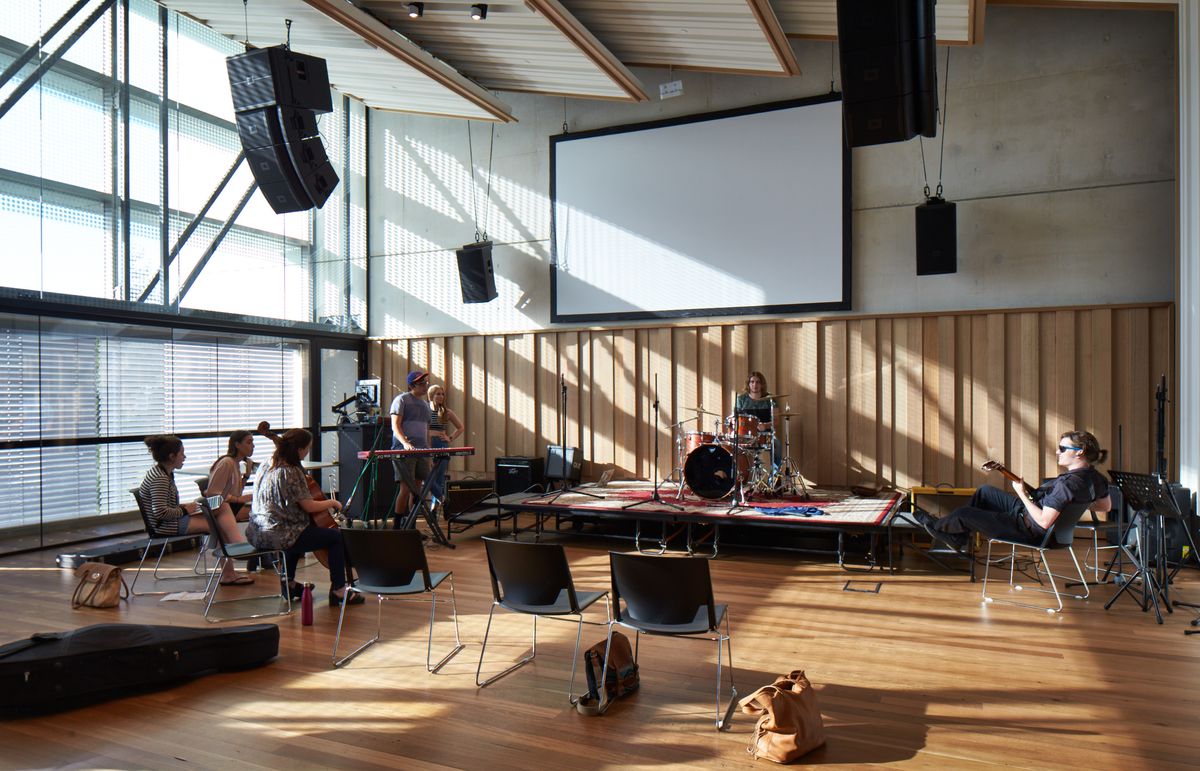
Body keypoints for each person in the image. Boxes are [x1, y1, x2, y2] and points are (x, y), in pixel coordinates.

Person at [916, 430, 1113, 551]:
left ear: (1079, 452)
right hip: (1040, 524)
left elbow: (1044, 522)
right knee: (985, 492)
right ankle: (957, 536)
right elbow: (1105, 506)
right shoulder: (1097, 479)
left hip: (1030, 531)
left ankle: (941, 528)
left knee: (963, 513)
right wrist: (1074, 505)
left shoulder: (1067, 484)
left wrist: (1020, 493)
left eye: (1062, 449)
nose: (1057, 452)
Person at [246, 428, 362, 606]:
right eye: (307, 448)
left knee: (300, 528)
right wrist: (333, 503)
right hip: (278, 535)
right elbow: (308, 505)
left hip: (256, 533)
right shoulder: (291, 471)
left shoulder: (266, 465)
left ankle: (290, 584)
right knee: (335, 538)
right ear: (299, 449)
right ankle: (339, 590)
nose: (307, 452)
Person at [138, 434, 252, 586]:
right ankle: (235, 558)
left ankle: (235, 554)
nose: (184, 456)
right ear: (172, 456)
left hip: (175, 519)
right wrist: (185, 510)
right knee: (219, 523)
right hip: (168, 525)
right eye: (181, 453)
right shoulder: (160, 478)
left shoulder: (164, 473)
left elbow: (164, 506)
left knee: (221, 505)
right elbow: (160, 512)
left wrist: (185, 507)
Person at [389, 370, 432, 527]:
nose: (425, 386)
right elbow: (395, 425)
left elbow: (426, 430)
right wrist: (405, 443)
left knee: (417, 489)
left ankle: (411, 525)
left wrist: (429, 451)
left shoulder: (425, 405)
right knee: (406, 488)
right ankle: (397, 524)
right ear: (411, 385)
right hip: (404, 450)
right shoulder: (401, 400)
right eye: (421, 384)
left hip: (422, 450)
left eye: (426, 383)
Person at [734, 370, 782, 471]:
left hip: (766, 435)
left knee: (777, 445)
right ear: (748, 383)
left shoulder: (770, 399)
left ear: (762, 384)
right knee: (734, 446)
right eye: (752, 382)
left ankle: (774, 479)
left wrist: (765, 425)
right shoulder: (741, 399)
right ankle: (741, 478)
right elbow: (736, 419)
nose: (755, 385)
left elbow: (776, 421)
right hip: (747, 435)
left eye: (758, 382)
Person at [425, 384, 465, 506]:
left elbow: (460, 427)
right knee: (427, 477)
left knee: (439, 478)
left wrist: (450, 438)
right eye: (438, 394)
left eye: (442, 394)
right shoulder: (425, 409)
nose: (441, 396)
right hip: (428, 444)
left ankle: (434, 511)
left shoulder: (446, 412)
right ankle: (443, 498)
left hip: (442, 444)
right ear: (431, 395)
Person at [205, 430, 255, 521]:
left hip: (231, 505)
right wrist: (238, 499)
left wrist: (246, 476)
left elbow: (236, 493)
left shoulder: (236, 464)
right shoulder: (227, 463)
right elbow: (213, 493)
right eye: (249, 442)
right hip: (224, 508)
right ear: (237, 445)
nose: (253, 446)